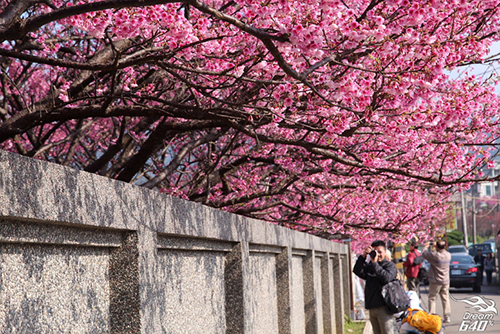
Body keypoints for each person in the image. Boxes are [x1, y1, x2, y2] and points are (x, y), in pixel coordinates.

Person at [353, 240, 398, 334]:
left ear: (385, 252)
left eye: (380, 252)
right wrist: (364, 256)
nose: (378, 254)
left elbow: (386, 278)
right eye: (375, 252)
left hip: (384, 308)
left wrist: (374, 264)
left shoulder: (390, 266)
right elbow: (357, 270)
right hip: (372, 307)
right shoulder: (371, 267)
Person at [422, 240, 451, 323]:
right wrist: (436, 247)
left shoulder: (435, 256)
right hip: (445, 281)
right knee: (445, 298)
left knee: (432, 298)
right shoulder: (448, 255)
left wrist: (426, 246)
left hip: (435, 281)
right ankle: (447, 316)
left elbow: (424, 254)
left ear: (437, 247)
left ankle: (432, 315)